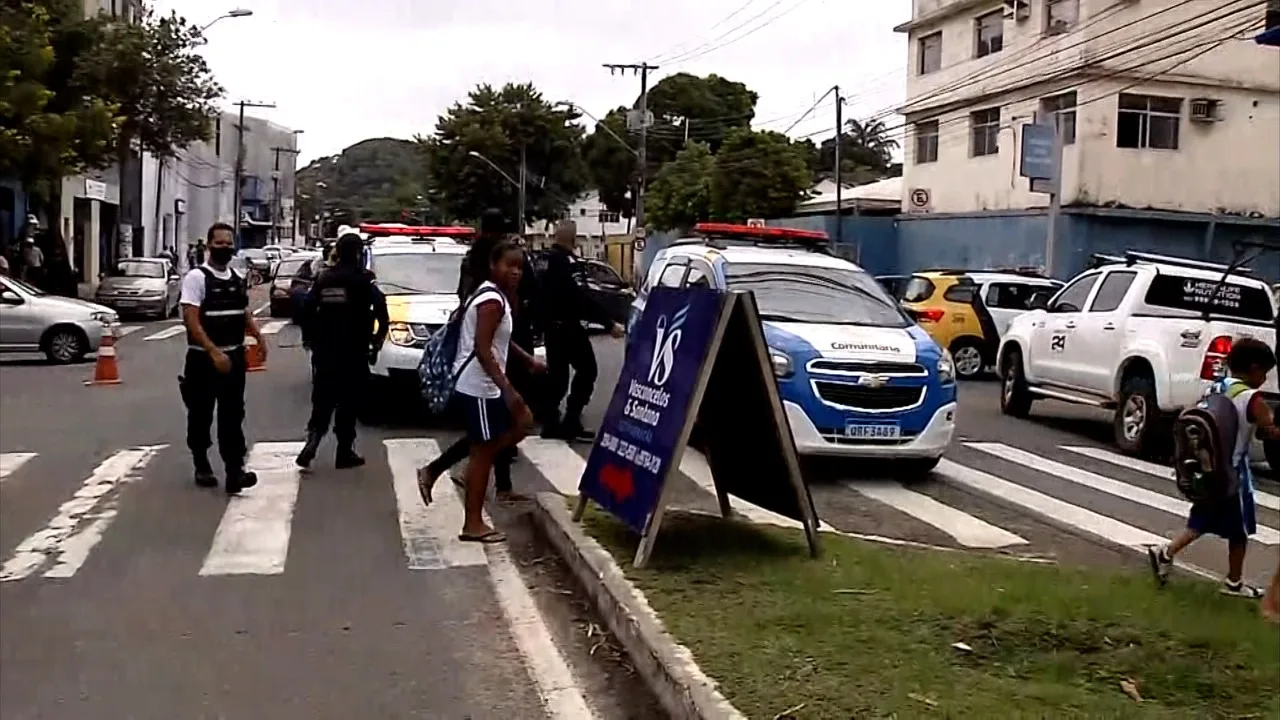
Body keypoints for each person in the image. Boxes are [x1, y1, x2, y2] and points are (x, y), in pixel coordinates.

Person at [419, 240, 542, 542]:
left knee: (515, 429)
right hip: (480, 385)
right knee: (490, 446)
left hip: (484, 384)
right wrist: (509, 391)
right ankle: (472, 524)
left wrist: (527, 360)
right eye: (509, 265)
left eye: (519, 267)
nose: (515, 272)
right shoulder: (491, 301)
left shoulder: (495, 296)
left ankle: (440, 470)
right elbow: (484, 350)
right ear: (493, 266)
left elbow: (501, 339)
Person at [1148, 338, 1280, 597]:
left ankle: (1165, 552)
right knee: (1239, 531)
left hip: (1209, 470)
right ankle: (1233, 583)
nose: (1264, 379)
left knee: (1201, 521)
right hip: (1232, 474)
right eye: (1264, 373)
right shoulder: (1252, 398)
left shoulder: (1216, 388)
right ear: (1254, 369)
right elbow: (1268, 433)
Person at [178, 222, 264, 494]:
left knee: (233, 415)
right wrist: (213, 352)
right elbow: (190, 319)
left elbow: (243, 311)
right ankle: (201, 463)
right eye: (219, 243)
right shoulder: (196, 278)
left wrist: (259, 337)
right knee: (201, 413)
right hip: (203, 359)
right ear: (208, 245)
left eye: (229, 243)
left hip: (234, 357)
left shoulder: (237, 278)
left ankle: (234, 471)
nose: (225, 248)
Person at [294, 232, 389, 470]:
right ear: (358, 254)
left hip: (325, 350)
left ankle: (313, 442)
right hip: (354, 351)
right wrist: (377, 341)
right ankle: (344, 452)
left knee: (323, 398)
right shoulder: (364, 280)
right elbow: (381, 310)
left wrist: (310, 337)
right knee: (349, 401)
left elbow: (306, 309)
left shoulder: (325, 279)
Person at [540, 219, 624, 441]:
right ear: (573, 238)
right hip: (567, 326)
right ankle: (569, 420)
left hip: (553, 327)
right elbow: (581, 297)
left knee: (558, 377)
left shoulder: (545, 261)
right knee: (587, 370)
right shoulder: (567, 262)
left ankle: (553, 422)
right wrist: (609, 323)